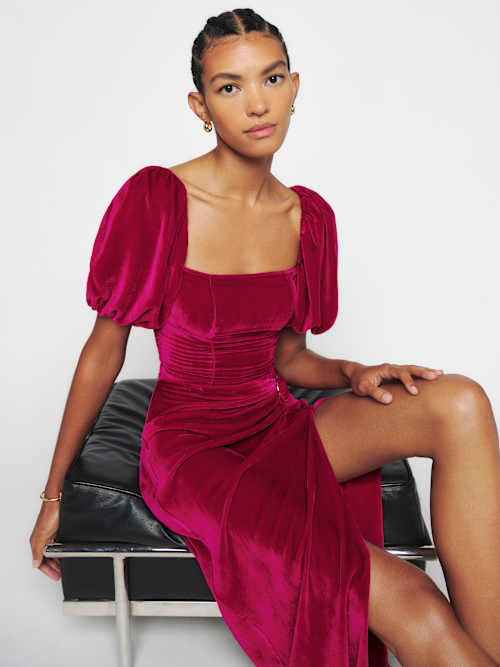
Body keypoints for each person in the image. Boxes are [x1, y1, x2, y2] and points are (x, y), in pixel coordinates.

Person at [30, 8, 500, 667]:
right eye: (230, 86)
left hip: (274, 423)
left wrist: (353, 372)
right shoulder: (158, 200)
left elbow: (288, 357)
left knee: (461, 402)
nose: (256, 103)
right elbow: (103, 352)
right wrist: (54, 495)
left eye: (271, 78)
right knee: (413, 600)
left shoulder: (305, 216)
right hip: (194, 452)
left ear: (294, 87)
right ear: (201, 106)